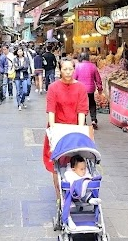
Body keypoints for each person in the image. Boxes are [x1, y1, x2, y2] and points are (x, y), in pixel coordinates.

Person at [43, 59, 89, 194]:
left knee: (74, 161)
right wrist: (53, 131)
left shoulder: (80, 87)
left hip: (74, 129)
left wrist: (79, 131)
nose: (68, 72)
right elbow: (51, 110)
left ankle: (75, 191)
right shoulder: (53, 88)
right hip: (58, 129)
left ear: (74, 70)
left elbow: (82, 111)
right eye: (65, 69)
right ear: (60, 70)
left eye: (70, 69)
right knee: (56, 164)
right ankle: (59, 196)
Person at [73, 52, 103, 129]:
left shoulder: (78, 66)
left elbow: (74, 78)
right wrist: (99, 88)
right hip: (90, 89)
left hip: (80, 89)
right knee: (92, 103)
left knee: (82, 105)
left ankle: (84, 121)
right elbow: (98, 79)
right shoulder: (93, 66)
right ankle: (93, 120)